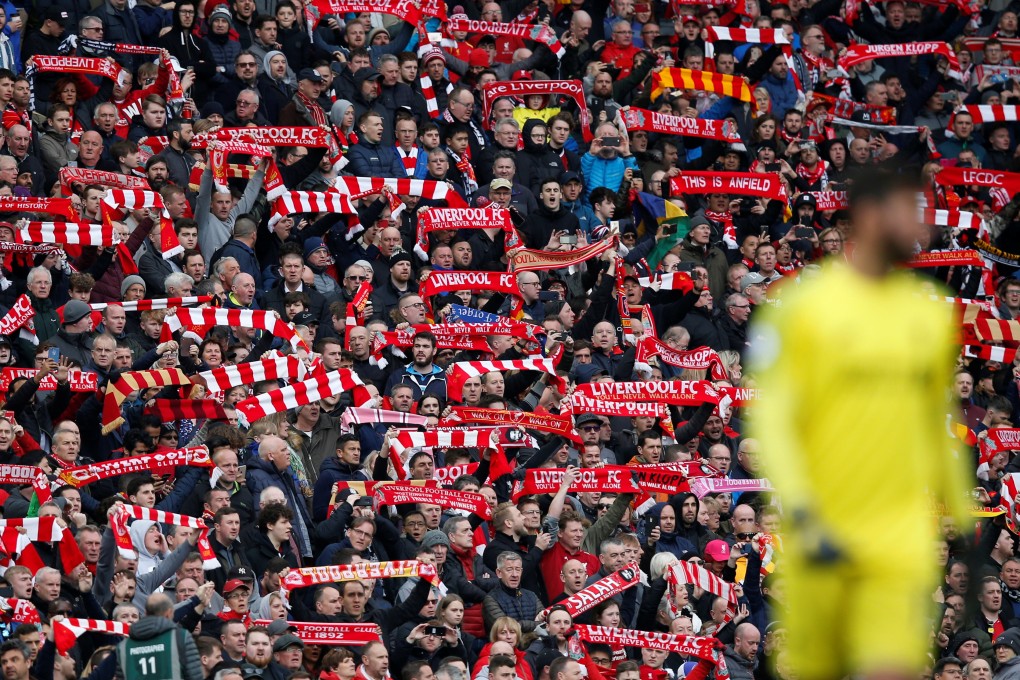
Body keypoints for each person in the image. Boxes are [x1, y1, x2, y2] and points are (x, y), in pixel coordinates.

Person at [752, 171, 972, 680]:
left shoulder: (926, 316)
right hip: (825, 527)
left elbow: (936, 427)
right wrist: (804, 510)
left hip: (898, 532)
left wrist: (961, 518)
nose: (924, 226)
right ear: (872, 215)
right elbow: (776, 419)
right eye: (910, 210)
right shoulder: (806, 307)